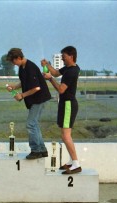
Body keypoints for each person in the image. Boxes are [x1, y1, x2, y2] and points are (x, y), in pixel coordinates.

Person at [41, 46, 82, 174]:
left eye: (64, 57)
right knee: (65, 135)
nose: (62, 59)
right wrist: (47, 64)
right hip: (65, 104)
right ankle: (71, 161)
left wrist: (49, 79)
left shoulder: (72, 72)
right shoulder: (70, 68)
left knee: (65, 136)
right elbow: (56, 73)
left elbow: (61, 89)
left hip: (68, 104)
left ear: (71, 56)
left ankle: (76, 163)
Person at [6, 48, 52, 159]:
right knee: (34, 124)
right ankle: (42, 150)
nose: (13, 64)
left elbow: (36, 87)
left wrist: (22, 95)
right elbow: (24, 81)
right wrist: (14, 87)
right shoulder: (22, 68)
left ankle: (36, 150)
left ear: (18, 58)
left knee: (30, 124)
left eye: (13, 61)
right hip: (35, 99)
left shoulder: (30, 67)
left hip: (39, 99)